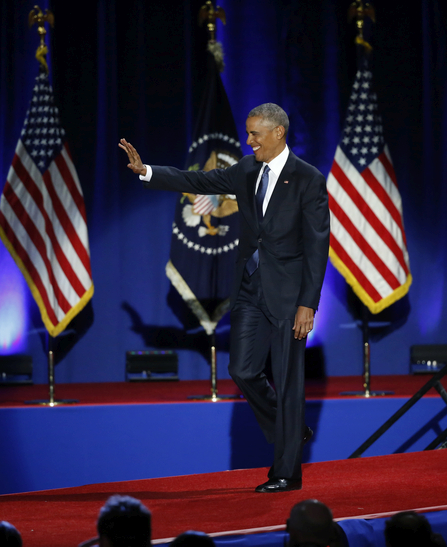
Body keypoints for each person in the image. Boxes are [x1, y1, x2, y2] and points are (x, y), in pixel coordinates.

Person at [119, 103, 329, 493]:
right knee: (243, 370)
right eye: (248, 133)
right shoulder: (246, 170)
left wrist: (308, 303)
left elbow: (318, 247)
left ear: (278, 132)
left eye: (255, 134)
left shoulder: (308, 179)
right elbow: (199, 181)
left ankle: (285, 473)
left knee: (287, 382)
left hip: (288, 297)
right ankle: (291, 428)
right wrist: (148, 171)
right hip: (248, 289)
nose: (248, 141)